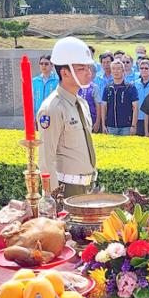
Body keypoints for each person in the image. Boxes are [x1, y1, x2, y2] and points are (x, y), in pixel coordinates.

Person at [37, 37, 97, 197]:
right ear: (65, 72)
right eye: (81, 68)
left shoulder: (82, 103)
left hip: (87, 186)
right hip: (66, 189)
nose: (88, 72)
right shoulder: (52, 108)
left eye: (88, 67)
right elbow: (45, 156)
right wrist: (53, 196)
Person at [101, 60, 139, 136]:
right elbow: (104, 106)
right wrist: (103, 125)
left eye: (118, 69)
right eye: (113, 69)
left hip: (126, 127)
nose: (116, 71)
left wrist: (133, 125)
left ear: (123, 71)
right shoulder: (108, 88)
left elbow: (135, 107)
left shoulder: (130, 87)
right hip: (111, 126)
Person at [134, 59, 149, 136]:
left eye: (146, 68)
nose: (144, 70)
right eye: (141, 68)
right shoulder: (134, 84)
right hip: (138, 118)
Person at [77, 65, 102, 133]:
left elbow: (98, 105)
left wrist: (97, 122)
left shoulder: (94, 87)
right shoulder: (77, 85)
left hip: (91, 120)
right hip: (78, 120)